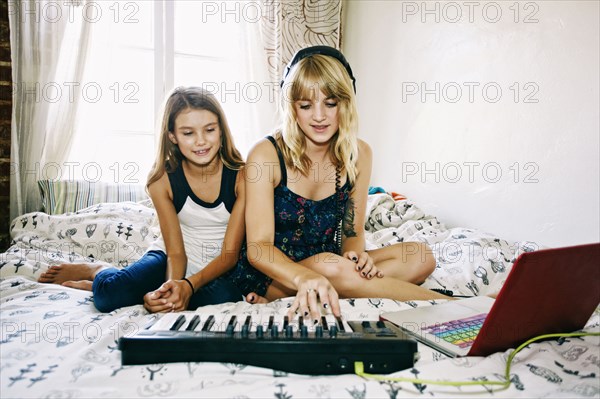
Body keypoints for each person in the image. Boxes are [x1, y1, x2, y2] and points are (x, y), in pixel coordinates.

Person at [227, 46, 450, 321]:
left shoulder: (360, 154)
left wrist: (357, 258)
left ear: (346, 103)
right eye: (306, 105)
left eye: (330, 104)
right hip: (275, 274)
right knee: (332, 265)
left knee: (421, 256)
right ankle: (457, 305)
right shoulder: (265, 154)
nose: (319, 116)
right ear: (292, 108)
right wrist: (304, 276)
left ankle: (340, 285)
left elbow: (352, 233)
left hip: (332, 262)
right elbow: (259, 248)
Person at [38, 87, 246, 313]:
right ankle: (97, 270)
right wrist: (170, 288)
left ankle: (147, 292)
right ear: (172, 136)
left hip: (220, 265)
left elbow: (229, 255)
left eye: (209, 130)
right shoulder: (162, 180)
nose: (201, 141)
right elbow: (176, 253)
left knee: (226, 297)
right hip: (169, 257)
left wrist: (186, 287)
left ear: (221, 131)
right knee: (110, 297)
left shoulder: (242, 177)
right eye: (188, 133)